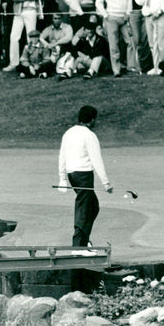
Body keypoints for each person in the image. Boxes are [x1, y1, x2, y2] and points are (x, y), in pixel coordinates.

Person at [57, 105, 113, 255]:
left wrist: (62, 178)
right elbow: (96, 160)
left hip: (72, 175)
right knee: (84, 208)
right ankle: (78, 247)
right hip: (83, 175)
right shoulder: (89, 135)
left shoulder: (68, 133)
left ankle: (84, 241)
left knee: (93, 206)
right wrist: (105, 183)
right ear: (92, 119)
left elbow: (62, 156)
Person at [2, 0, 43, 72]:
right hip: (18, 12)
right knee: (13, 37)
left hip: (32, 11)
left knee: (31, 38)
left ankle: (31, 63)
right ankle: (13, 63)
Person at [95, 0, 133, 77]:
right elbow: (98, 2)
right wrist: (105, 15)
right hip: (111, 17)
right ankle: (116, 70)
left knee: (130, 41)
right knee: (113, 45)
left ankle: (131, 66)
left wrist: (128, 13)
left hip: (124, 17)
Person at [138, 0, 164, 75]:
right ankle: (155, 67)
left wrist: (160, 11)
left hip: (161, 15)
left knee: (161, 43)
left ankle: (163, 67)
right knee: (152, 43)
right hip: (148, 15)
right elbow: (139, 1)